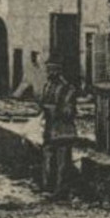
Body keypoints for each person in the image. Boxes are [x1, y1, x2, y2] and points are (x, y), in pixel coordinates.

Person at [40, 61, 77, 198]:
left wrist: (55, 110)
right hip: (50, 129)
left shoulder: (68, 89)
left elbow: (69, 111)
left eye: (53, 70)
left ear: (59, 71)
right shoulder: (47, 86)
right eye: (48, 70)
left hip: (63, 130)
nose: (49, 73)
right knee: (48, 159)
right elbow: (42, 103)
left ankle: (61, 191)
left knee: (63, 162)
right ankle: (48, 188)